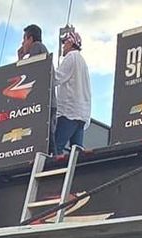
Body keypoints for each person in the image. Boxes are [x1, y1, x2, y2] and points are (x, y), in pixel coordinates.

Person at [52, 25, 92, 156]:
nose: (63, 46)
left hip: (69, 112)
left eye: (65, 43)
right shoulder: (83, 62)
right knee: (76, 153)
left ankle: (52, 176)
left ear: (71, 43)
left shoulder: (71, 57)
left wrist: (45, 68)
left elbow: (56, 78)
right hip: (81, 114)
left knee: (56, 149)